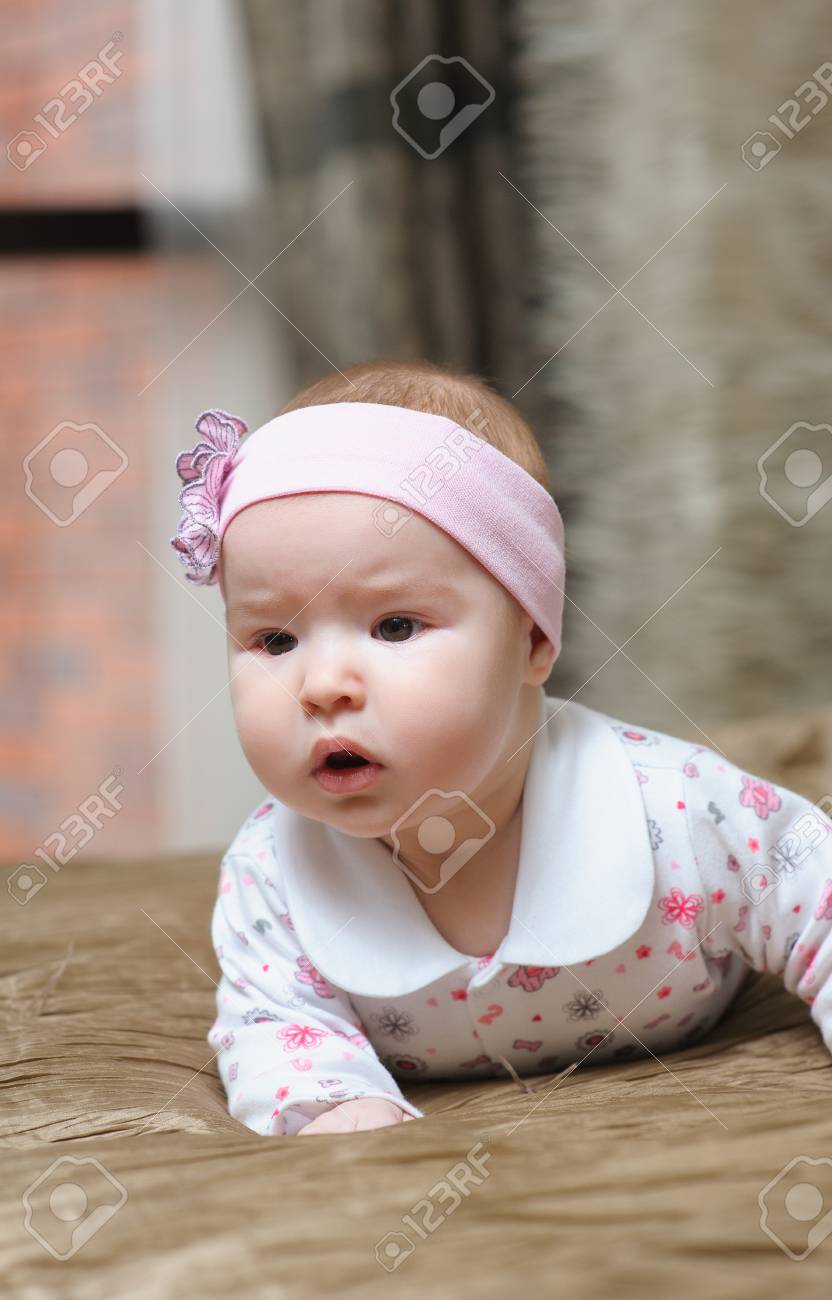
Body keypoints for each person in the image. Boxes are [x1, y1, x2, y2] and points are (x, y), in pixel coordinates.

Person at [171, 359, 832, 1137]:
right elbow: (277, 1031)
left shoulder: (679, 808)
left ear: (531, 640)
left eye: (394, 626)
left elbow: (815, 897)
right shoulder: (273, 875)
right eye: (275, 638)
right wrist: (345, 1118)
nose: (322, 686)